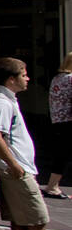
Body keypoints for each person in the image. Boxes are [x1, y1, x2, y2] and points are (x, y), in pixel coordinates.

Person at [0, 57, 71, 230]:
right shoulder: (0, 103)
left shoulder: (8, 100)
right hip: (15, 171)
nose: (28, 78)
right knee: (37, 218)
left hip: (18, 168)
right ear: (11, 79)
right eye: (23, 74)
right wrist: (16, 167)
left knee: (20, 220)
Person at [44, 53, 72, 198]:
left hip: (57, 121)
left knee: (61, 154)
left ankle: (52, 185)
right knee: (63, 155)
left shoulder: (57, 78)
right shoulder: (71, 79)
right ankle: (52, 187)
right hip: (68, 121)